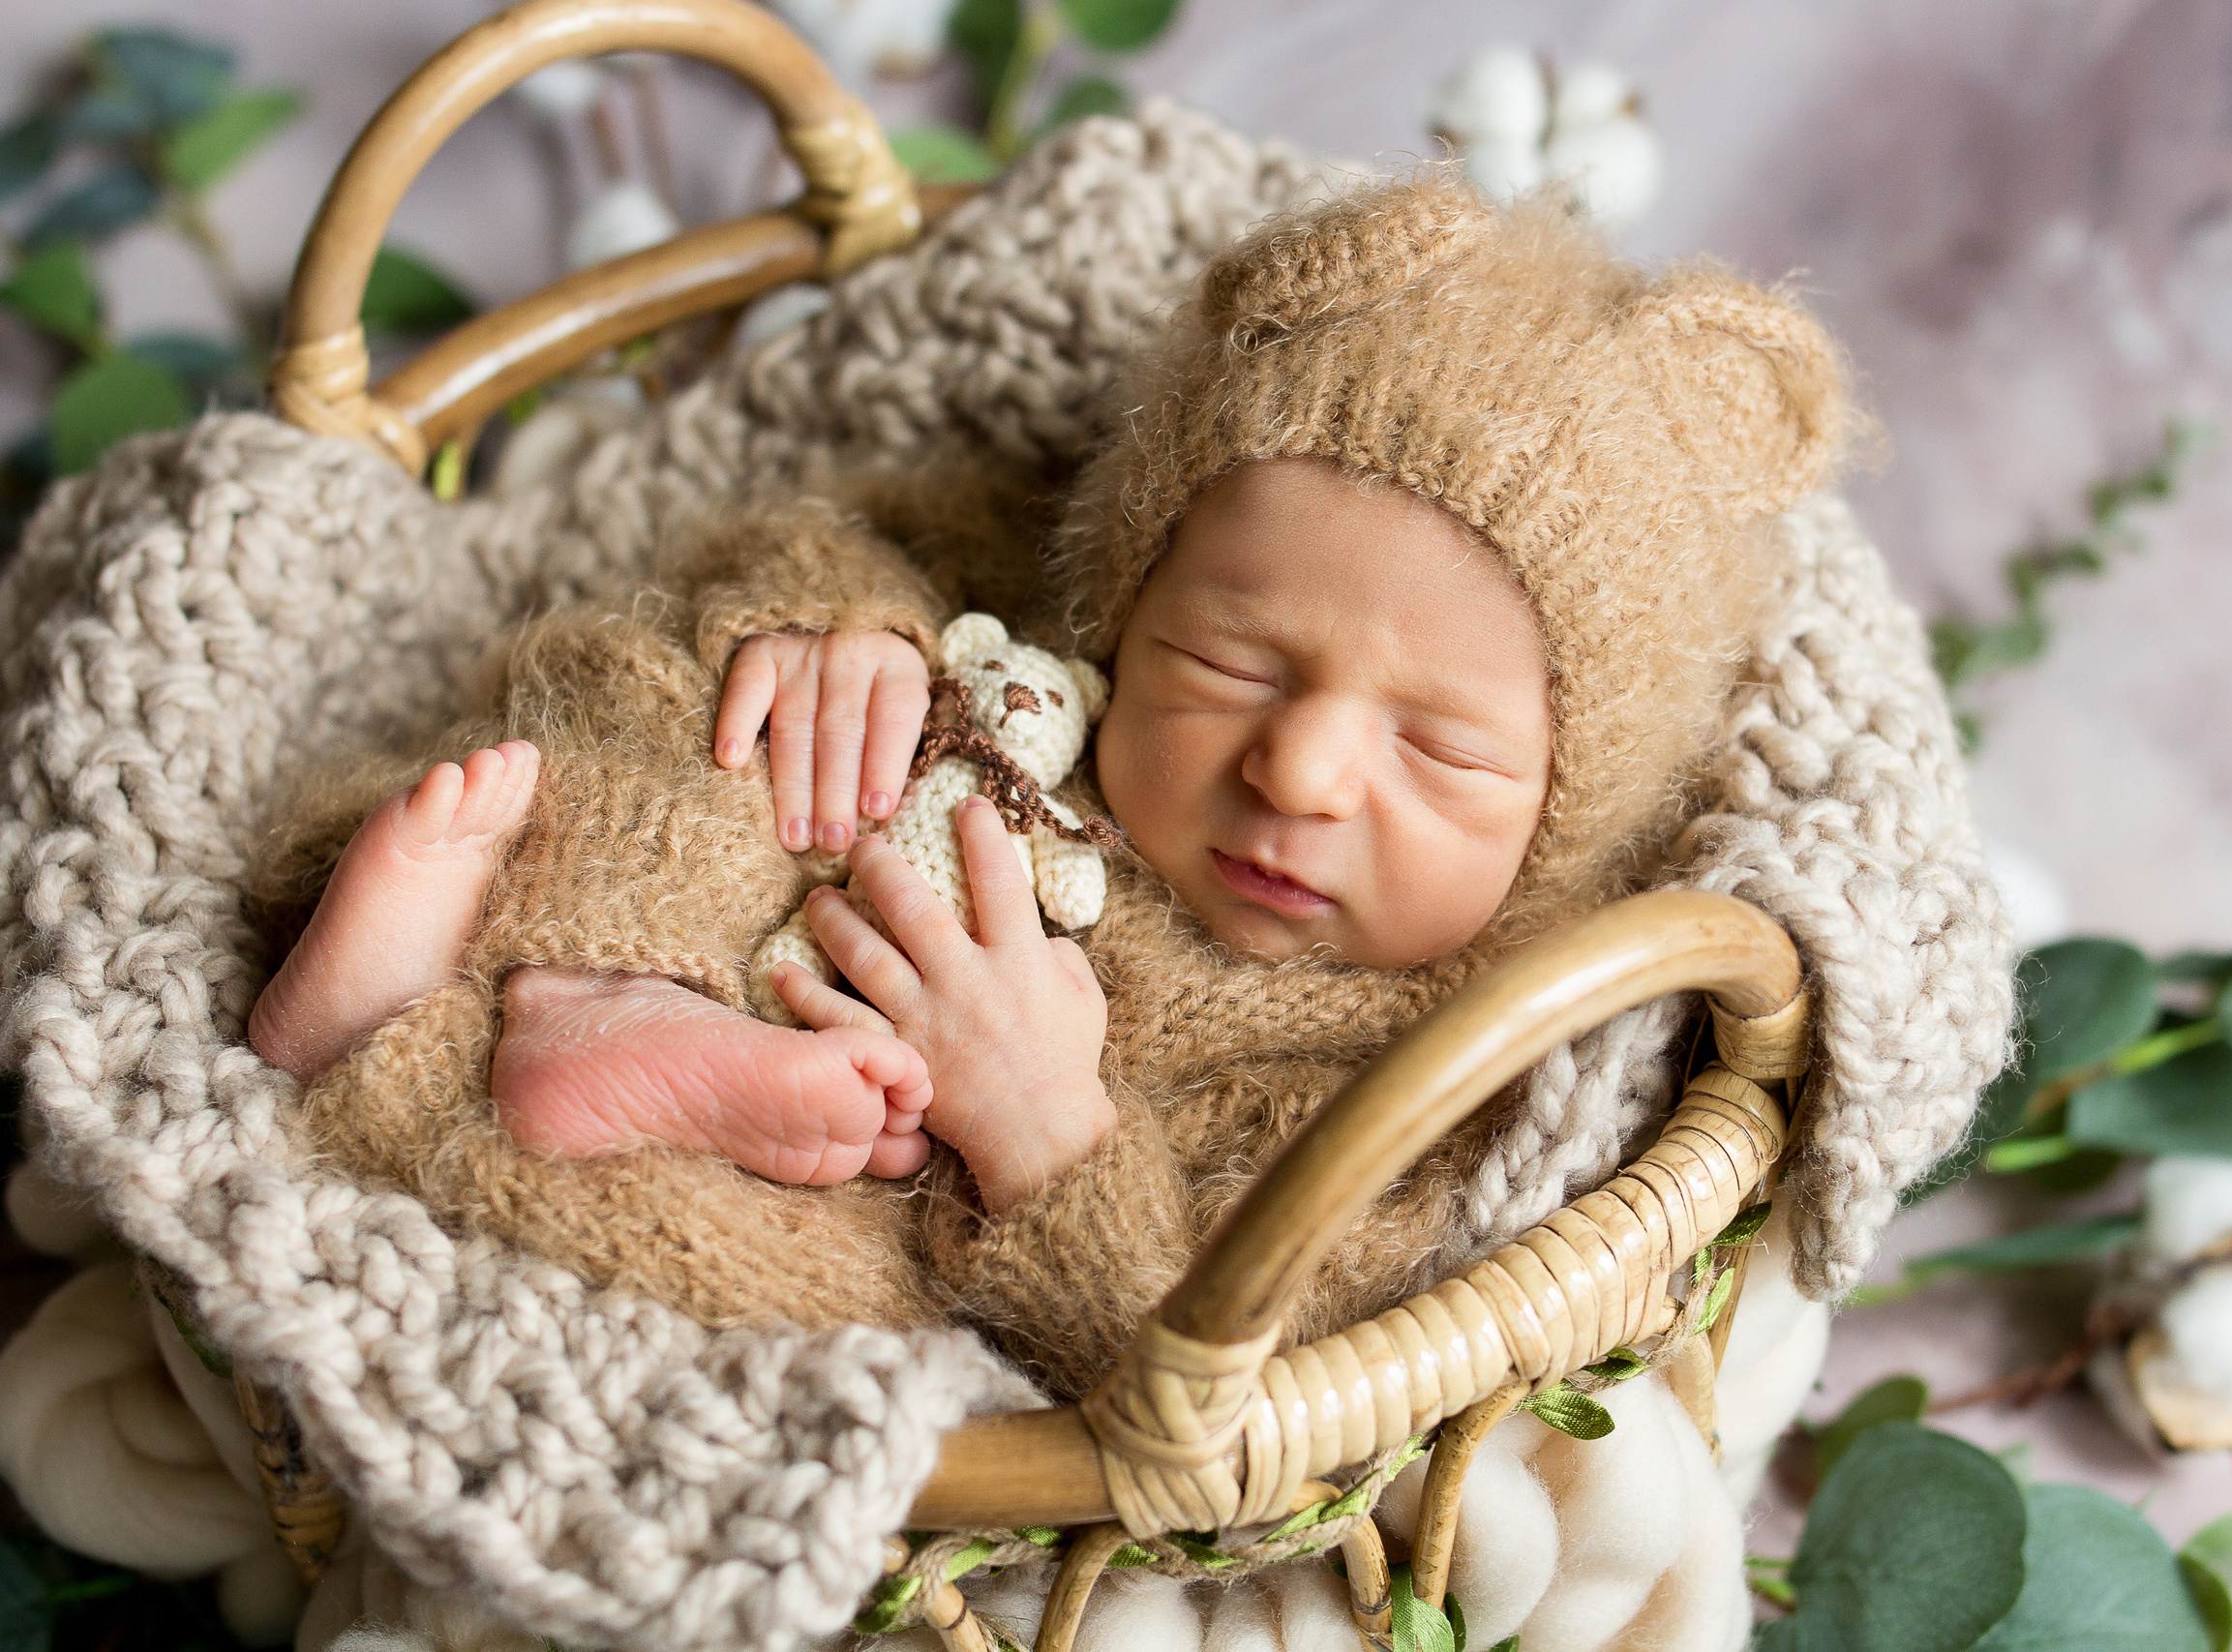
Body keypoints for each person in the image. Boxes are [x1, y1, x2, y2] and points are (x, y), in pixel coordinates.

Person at [246, 173, 1843, 1390]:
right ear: (1132, 597)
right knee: (671, 717)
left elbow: (1221, 1346)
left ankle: (394, 1061)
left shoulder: (1425, 1065)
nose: (1299, 764)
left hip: (869, 1161)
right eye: (1234, 666)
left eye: (1438, 749)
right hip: (786, 856)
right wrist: (835, 633)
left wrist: (1044, 1130)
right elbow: (835, 528)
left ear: (1565, 815)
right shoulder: (1043, 593)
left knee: (833, 1281)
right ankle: (493, 977)